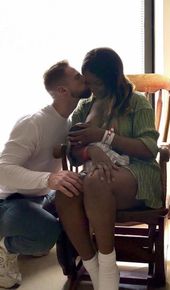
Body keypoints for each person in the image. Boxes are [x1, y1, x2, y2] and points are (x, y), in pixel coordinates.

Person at [55, 48, 163, 290]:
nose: (92, 88)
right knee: (65, 190)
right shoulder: (84, 107)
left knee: (95, 182)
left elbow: (148, 149)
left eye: (98, 83)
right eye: (88, 82)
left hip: (137, 171)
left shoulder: (137, 104)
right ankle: (93, 267)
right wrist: (91, 150)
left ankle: (108, 266)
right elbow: (72, 151)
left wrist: (103, 136)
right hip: (94, 171)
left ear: (114, 78)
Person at [0, 60, 91, 289]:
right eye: (78, 78)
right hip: (9, 201)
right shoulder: (34, 123)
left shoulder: (67, 122)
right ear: (62, 91)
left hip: (40, 197)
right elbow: (2, 170)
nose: (85, 79)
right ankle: (5, 247)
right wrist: (49, 179)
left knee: (79, 193)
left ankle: (32, 236)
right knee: (47, 232)